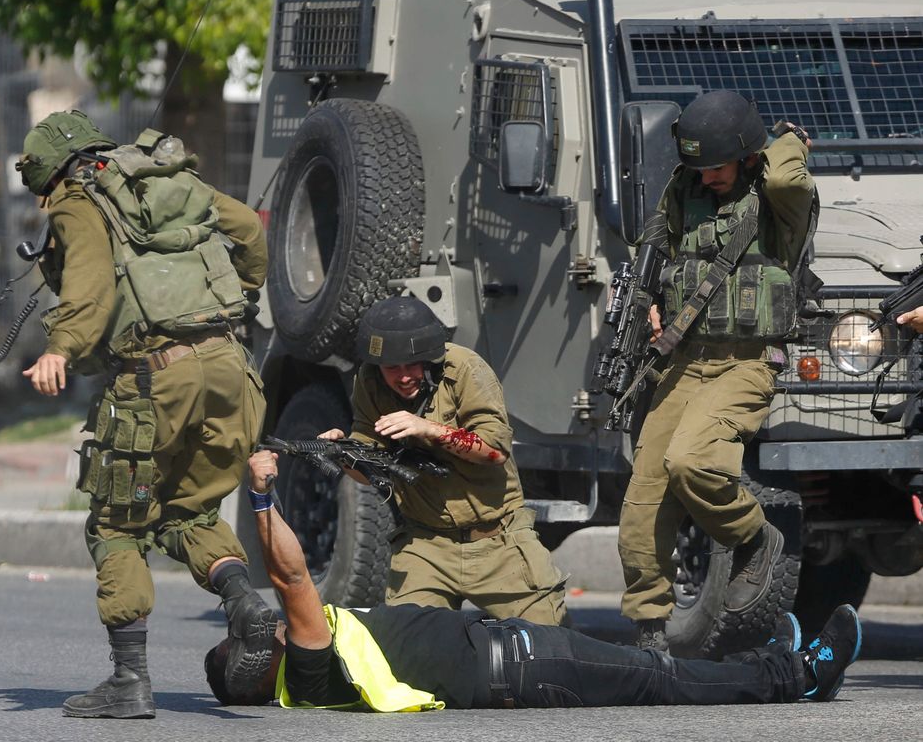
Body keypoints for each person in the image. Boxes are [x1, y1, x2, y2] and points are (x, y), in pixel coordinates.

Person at [202, 450, 862, 710]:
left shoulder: (302, 671)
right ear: (258, 668)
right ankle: (800, 675)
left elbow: (286, 589)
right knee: (657, 677)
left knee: (649, 674)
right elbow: (289, 576)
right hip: (514, 663)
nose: (261, 632)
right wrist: (261, 498)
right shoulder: (309, 670)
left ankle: (772, 662)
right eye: (249, 644)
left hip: (506, 656)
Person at [16, 110, 274, 719]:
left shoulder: (78, 205)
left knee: (117, 525)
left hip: (154, 379)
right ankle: (243, 601)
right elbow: (249, 233)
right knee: (191, 508)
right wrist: (244, 295)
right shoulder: (166, 178)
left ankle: (129, 681)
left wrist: (60, 349)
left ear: (52, 173)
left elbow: (90, 288)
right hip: (230, 366)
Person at [618, 90, 817, 651]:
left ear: (750, 155)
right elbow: (655, 247)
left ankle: (755, 541)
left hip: (745, 363)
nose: (705, 179)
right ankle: (650, 632)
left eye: (717, 166)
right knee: (643, 498)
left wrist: (781, 140)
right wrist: (652, 302)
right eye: (697, 167)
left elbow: (786, 180)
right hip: (684, 362)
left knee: (693, 463)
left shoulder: (778, 204)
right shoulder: (685, 189)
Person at [318, 297, 569, 626]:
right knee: (406, 648)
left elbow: (494, 451)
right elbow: (373, 465)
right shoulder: (369, 380)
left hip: (497, 542)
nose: (403, 376)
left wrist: (431, 429)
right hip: (426, 544)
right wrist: (345, 453)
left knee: (550, 644)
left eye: (412, 365)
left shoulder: (466, 369)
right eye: (392, 367)